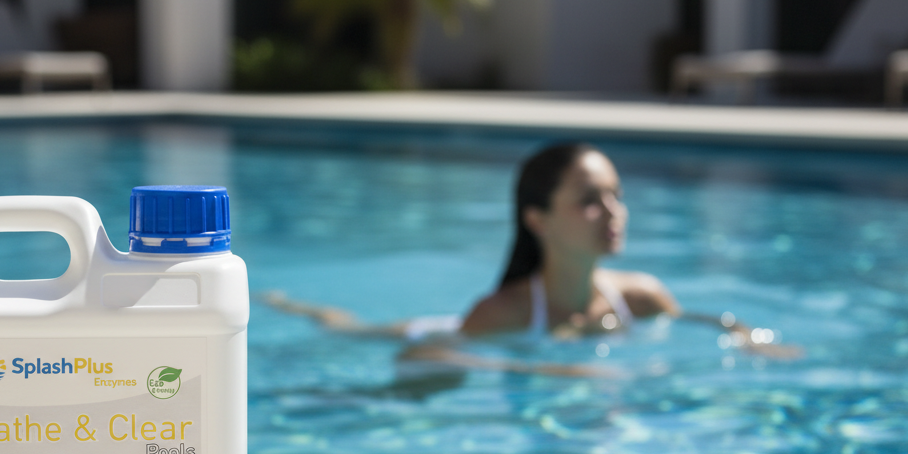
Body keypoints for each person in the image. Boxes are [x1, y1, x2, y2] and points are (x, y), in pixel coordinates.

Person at [262, 142, 799, 373]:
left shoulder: (643, 296)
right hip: (449, 327)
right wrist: (542, 370)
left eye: (616, 195)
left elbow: (699, 323)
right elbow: (424, 356)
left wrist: (745, 336)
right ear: (537, 219)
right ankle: (294, 305)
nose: (613, 212)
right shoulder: (500, 313)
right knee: (350, 329)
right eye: (590, 200)